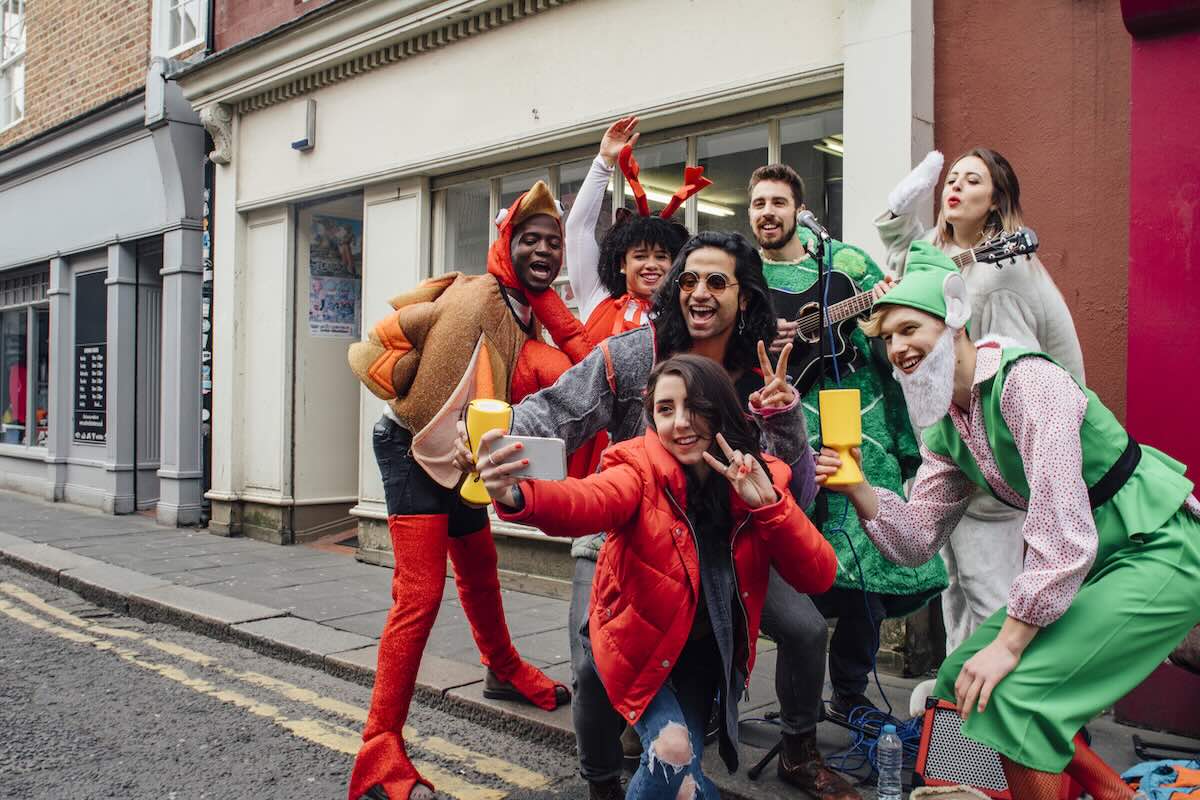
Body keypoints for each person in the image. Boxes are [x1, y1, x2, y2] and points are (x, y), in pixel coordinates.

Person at [456, 231, 857, 800]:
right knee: (593, 667)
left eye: (717, 282)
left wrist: (785, 416)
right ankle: (601, 783)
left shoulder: (760, 368)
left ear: (744, 297)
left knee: (808, 627)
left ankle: (798, 750)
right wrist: (489, 444)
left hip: (728, 546)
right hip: (622, 527)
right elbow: (556, 411)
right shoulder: (632, 355)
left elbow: (794, 491)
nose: (699, 293)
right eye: (688, 280)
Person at [817, 241, 1200, 799]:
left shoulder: (1027, 383)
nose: (896, 347)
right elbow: (917, 538)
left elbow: (1062, 532)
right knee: (958, 680)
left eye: (908, 329)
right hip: (1093, 560)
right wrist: (858, 488)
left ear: (953, 320)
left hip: (1160, 546)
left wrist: (1011, 643)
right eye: (887, 338)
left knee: (1018, 695)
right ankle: (971, 793)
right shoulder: (947, 426)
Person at [345, 181, 595, 800]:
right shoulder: (484, 297)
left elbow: (579, 366)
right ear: (505, 243)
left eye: (554, 243)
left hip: (462, 454)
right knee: (420, 596)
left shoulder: (521, 305)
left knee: (481, 568)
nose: (544, 250)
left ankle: (502, 668)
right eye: (529, 239)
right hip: (414, 449)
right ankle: (379, 749)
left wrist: (547, 301)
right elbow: (432, 389)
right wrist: (453, 449)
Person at [746, 164, 945, 765]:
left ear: (797, 208)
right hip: (778, 417)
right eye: (758, 203)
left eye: (778, 201)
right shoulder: (742, 271)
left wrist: (864, 326)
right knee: (783, 546)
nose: (767, 212)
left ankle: (851, 690)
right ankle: (776, 684)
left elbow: (881, 331)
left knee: (870, 544)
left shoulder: (847, 264)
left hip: (857, 420)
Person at [876, 148, 1085, 659]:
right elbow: (909, 263)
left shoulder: (1002, 272)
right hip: (961, 453)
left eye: (973, 181)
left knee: (991, 599)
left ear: (996, 203)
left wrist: (976, 468)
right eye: (951, 178)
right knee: (959, 598)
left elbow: (1013, 382)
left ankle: (1000, 722)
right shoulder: (942, 251)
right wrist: (897, 212)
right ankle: (960, 721)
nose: (955, 187)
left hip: (1001, 464)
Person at [565, 116, 690, 341]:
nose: (651, 265)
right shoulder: (597, 297)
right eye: (640, 256)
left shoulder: (684, 318)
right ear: (623, 263)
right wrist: (603, 163)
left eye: (661, 256)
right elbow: (577, 229)